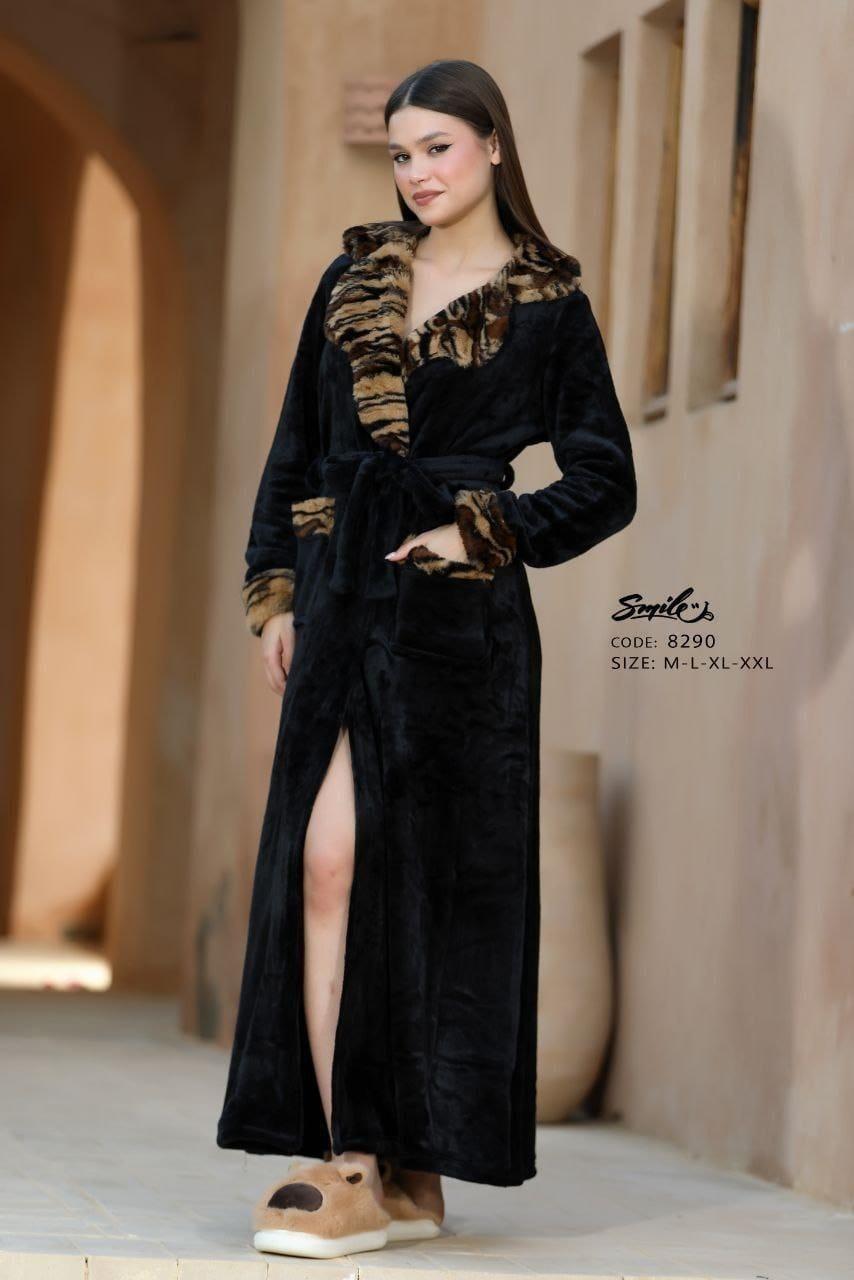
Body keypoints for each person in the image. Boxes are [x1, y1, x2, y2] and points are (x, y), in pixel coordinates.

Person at [217, 58, 637, 1260]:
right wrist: (275, 592)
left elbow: (604, 478)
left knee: (430, 890)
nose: (415, 173)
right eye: (400, 153)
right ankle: (343, 1150)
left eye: (437, 147)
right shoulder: (352, 281)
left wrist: (477, 530)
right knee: (325, 863)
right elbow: (295, 448)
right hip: (341, 599)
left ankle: (400, 1166)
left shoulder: (547, 304)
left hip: (462, 632)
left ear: (493, 145)